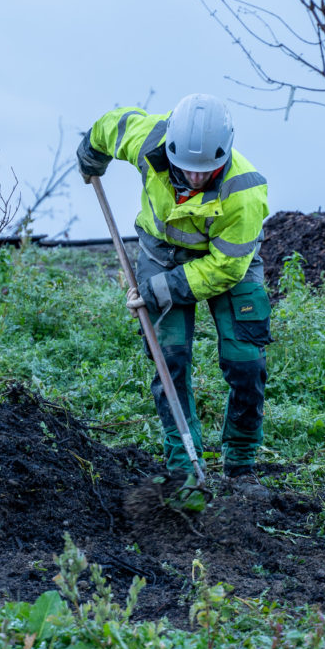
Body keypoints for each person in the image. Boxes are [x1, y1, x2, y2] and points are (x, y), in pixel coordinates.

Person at [77, 94, 271, 493]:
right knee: (170, 358)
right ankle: (184, 466)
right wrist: (90, 155)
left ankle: (240, 463)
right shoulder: (150, 138)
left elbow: (225, 268)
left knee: (245, 359)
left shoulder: (245, 190)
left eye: (206, 171)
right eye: (186, 169)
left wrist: (160, 289)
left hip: (228, 265)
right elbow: (110, 124)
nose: (195, 178)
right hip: (161, 253)